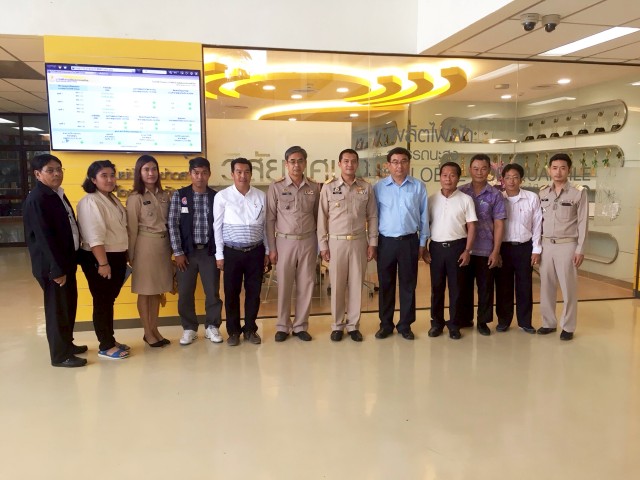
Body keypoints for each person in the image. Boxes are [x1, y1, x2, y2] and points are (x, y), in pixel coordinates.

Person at [23, 154, 86, 368]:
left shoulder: (56, 194)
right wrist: (56, 268)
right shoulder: (38, 198)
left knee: (68, 306)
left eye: (59, 169)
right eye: (50, 170)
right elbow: (43, 237)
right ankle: (60, 355)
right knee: (57, 310)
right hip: (53, 266)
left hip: (66, 261)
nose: (57, 174)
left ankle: (67, 344)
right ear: (37, 174)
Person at [317, 149, 378, 342]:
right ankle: (337, 325)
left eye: (353, 161)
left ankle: (353, 326)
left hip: (359, 241)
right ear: (339, 164)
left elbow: (372, 216)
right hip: (336, 242)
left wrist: (373, 243)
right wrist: (323, 245)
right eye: (346, 161)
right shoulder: (328, 188)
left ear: (357, 164)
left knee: (356, 284)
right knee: (337, 285)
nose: (349, 165)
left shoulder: (366, 187)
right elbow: (322, 218)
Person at [373, 146, 429, 340]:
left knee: (408, 285)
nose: (399, 166)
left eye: (404, 161)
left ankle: (405, 325)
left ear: (409, 164)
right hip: (385, 242)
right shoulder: (378, 188)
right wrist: (373, 243)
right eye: (395, 162)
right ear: (388, 165)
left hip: (409, 242)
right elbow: (374, 217)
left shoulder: (418, 186)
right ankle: (386, 325)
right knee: (385, 285)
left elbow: (424, 216)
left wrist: (422, 243)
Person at [77, 160, 131, 360]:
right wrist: (103, 263)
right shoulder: (90, 201)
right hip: (100, 258)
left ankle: (110, 339)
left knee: (109, 300)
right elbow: (94, 237)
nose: (109, 180)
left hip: (115, 256)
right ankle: (105, 345)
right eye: (104, 176)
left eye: (112, 175)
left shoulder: (110, 198)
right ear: (93, 179)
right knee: (102, 301)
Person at [266, 146, 320, 342]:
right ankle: (282, 325)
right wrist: (272, 248)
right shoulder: (276, 187)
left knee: (306, 283)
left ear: (305, 163)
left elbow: (318, 217)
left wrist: (320, 244)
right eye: (292, 161)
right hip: (284, 241)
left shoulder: (314, 187)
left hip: (308, 240)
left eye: (300, 161)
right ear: (286, 164)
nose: (296, 165)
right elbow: (270, 219)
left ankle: (300, 326)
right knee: (284, 284)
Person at [213, 158, 269, 346]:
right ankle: (234, 332)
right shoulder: (222, 196)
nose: (243, 175)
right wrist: (219, 255)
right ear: (232, 174)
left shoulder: (261, 196)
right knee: (231, 293)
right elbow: (217, 226)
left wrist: (267, 251)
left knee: (254, 293)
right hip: (231, 252)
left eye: (246, 172)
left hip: (256, 251)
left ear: (251, 174)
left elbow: (266, 226)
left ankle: (250, 329)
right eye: (238, 172)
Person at [168, 157, 223, 346]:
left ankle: (212, 326)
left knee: (212, 292)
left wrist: (220, 253)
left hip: (209, 252)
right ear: (190, 174)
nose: (200, 177)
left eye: (204, 173)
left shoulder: (216, 197)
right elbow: (173, 225)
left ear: (209, 174)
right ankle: (189, 328)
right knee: (185, 292)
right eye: (196, 173)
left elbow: (220, 226)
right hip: (186, 254)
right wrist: (178, 252)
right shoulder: (180, 195)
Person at [538, 153, 588, 341]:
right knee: (546, 287)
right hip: (546, 244)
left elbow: (583, 222)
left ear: (569, 170)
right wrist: (537, 247)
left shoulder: (578, 192)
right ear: (549, 170)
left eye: (562, 168)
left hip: (567, 245)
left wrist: (580, 249)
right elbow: (538, 221)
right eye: (554, 168)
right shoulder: (543, 192)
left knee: (568, 288)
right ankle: (548, 323)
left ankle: (568, 326)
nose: (558, 172)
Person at [424, 162, 477, 340]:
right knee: (437, 288)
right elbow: (425, 225)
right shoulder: (431, 200)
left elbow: (472, 226)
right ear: (440, 177)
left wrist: (467, 250)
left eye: (452, 175)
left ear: (458, 178)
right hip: (436, 248)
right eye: (445, 175)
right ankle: (436, 323)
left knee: (457, 289)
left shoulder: (465, 199)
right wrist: (424, 247)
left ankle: (454, 324)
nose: (448, 179)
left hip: (457, 248)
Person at [126, 154, 174, 347]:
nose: (151, 173)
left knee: (156, 291)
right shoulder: (135, 198)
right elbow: (131, 229)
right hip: (144, 247)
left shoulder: (164, 195)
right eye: (146, 169)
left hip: (163, 246)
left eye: (154, 169)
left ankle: (155, 329)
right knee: (145, 292)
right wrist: (131, 255)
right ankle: (147, 332)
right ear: (139, 172)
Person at [458, 154, 506, 336]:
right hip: (464, 248)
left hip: (486, 249)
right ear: (469, 170)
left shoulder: (495, 194)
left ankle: (483, 321)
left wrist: (496, 251)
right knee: (463, 285)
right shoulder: (461, 192)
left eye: (483, 168)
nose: (479, 172)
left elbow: (499, 223)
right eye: (476, 168)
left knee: (485, 287)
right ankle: (465, 318)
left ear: (489, 170)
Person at [494, 163, 541, 334]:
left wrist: (536, 249)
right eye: (508, 177)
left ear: (521, 179)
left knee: (524, 286)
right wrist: (495, 251)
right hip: (503, 248)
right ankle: (504, 321)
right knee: (503, 286)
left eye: (515, 177)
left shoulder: (532, 198)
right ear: (502, 180)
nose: (511, 181)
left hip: (524, 248)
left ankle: (525, 322)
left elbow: (537, 224)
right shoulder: (498, 198)